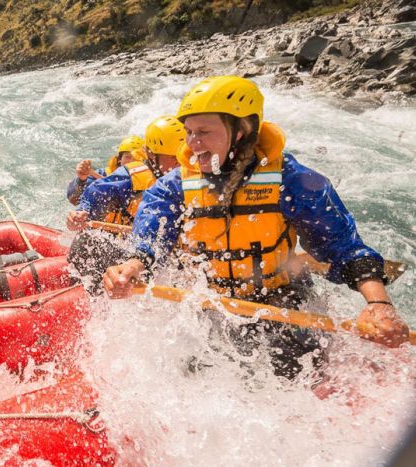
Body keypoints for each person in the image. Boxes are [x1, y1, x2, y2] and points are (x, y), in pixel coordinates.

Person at [103, 76, 409, 378]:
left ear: (241, 131)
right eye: (189, 132)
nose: (193, 143)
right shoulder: (174, 186)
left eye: (204, 132)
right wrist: (133, 264)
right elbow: (152, 235)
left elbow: (343, 247)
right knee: (194, 369)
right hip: (213, 300)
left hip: (280, 296)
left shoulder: (290, 180)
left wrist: (378, 302)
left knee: (294, 364)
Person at [65, 117, 185, 292]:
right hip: (125, 246)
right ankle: (83, 292)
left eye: (181, 156)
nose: (178, 163)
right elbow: (95, 192)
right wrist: (83, 211)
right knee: (87, 241)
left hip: (160, 254)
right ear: (152, 155)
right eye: (173, 158)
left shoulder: (187, 178)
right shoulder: (130, 176)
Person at [66, 136, 145, 205]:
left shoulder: (150, 181)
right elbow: (74, 200)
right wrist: (81, 180)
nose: (131, 162)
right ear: (119, 160)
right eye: (127, 157)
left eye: (137, 158)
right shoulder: (103, 174)